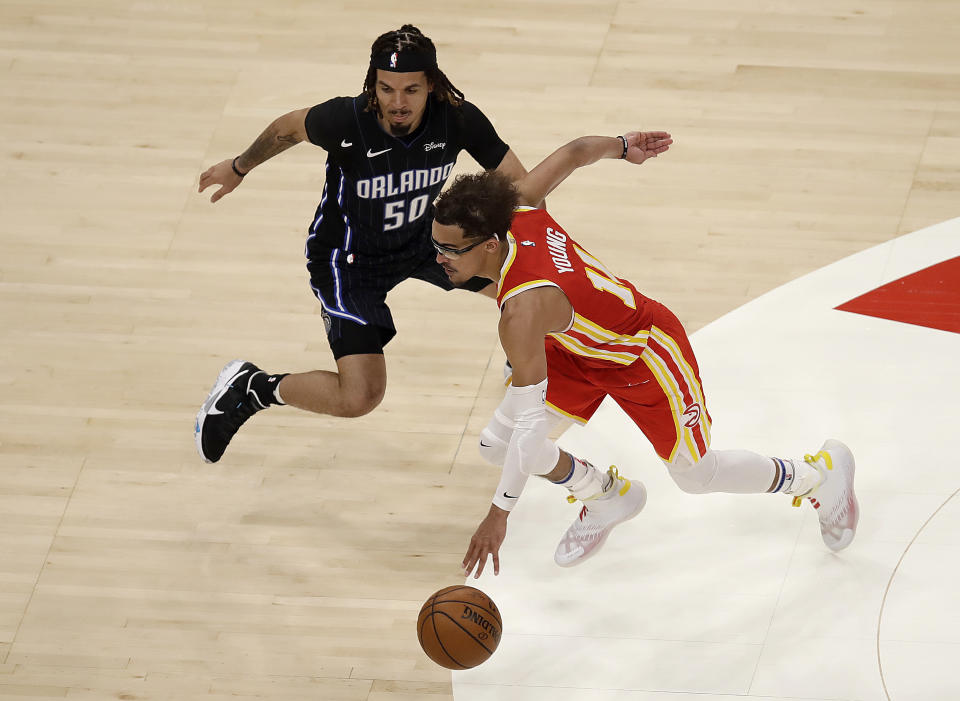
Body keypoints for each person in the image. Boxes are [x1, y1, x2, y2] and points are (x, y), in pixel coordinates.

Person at [427, 132, 860, 577]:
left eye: (450, 250)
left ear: (491, 246)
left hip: (642, 352)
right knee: (497, 446)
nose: (438, 258)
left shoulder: (521, 312)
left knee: (697, 476)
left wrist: (499, 514)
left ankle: (819, 477)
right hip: (575, 348)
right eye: (436, 244)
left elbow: (532, 422)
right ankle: (607, 494)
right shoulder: (514, 208)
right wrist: (622, 144)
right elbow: (576, 153)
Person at [194, 25, 532, 464]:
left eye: (411, 89)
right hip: (347, 261)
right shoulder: (344, 120)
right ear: (372, 84)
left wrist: (531, 246)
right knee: (360, 397)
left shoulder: (457, 118)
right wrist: (239, 167)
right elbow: (287, 128)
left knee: (523, 285)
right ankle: (253, 388)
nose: (397, 102)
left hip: (421, 241)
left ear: (432, 84)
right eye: (386, 88)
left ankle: (526, 364)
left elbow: (521, 186)